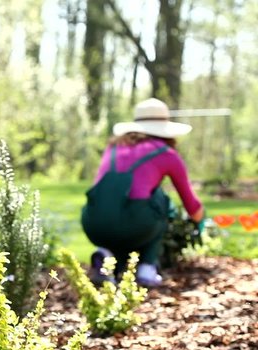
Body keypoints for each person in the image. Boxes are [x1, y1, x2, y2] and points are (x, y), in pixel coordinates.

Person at [81, 98, 204, 287]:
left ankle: (105, 256)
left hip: (92, 222)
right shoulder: (167, 154)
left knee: (120, 210)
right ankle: (147, 269)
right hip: (135, 225)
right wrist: (200, 221)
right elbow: (191, 206)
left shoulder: (114, 147)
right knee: (161, 201)